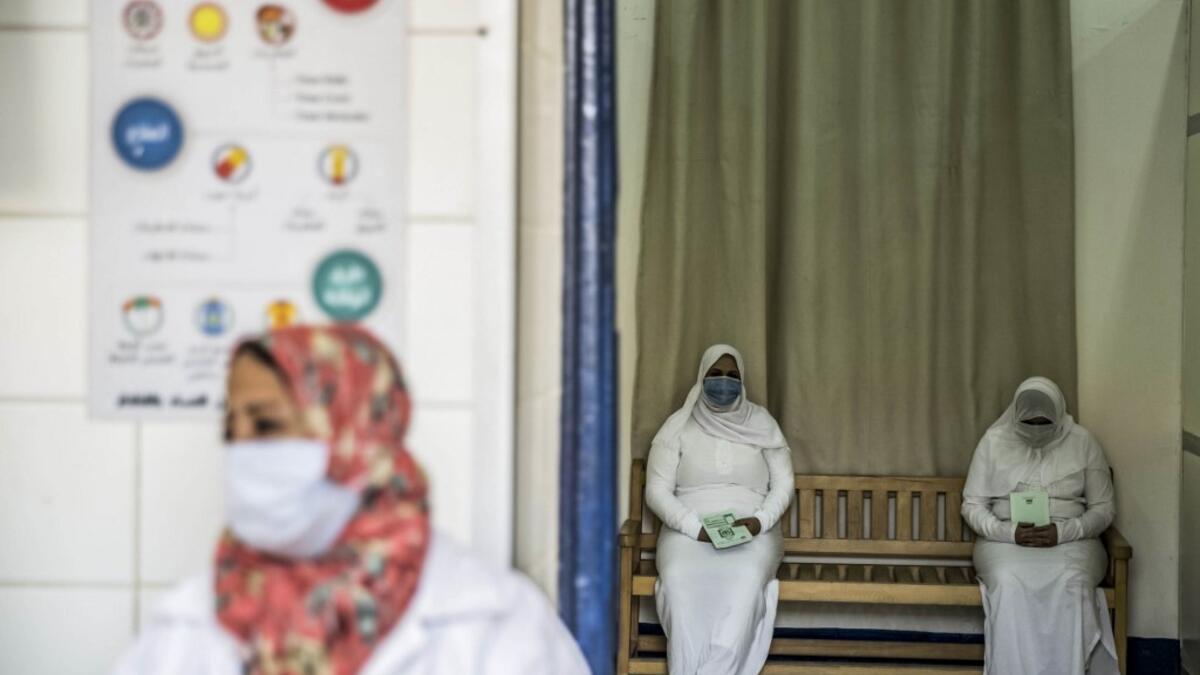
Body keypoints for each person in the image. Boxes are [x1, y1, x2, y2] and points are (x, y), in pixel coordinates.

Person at [112, 325, 589, 675]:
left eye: (266, 425)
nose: (242, 453)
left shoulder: (494, 621)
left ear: (357, 438)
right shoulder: (191, 619)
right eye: (229, 430)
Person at [644, 344, 794, 675]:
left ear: (742, 380)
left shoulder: (762, 422)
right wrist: (693, 527)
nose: (723, 382)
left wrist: (760, 521)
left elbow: (784, 485)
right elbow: (656, 489)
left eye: (732, 375)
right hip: (689, 529)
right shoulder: (678, 425)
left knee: (745, 577)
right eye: (715, 374)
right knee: (679, 578)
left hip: (754, 527)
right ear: (702, 377)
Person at [962, 376, 1118, 675]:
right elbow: (972, 505)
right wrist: (1009, 533)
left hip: (1072, 541)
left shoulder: (1083, 442)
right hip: (1005, 542)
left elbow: (1103, 509)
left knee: (1071, 583)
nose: (1036, 429)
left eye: (1043, 422)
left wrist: (1064, 531)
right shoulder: (994, 442)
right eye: (1028, 423)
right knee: (1008, 583)